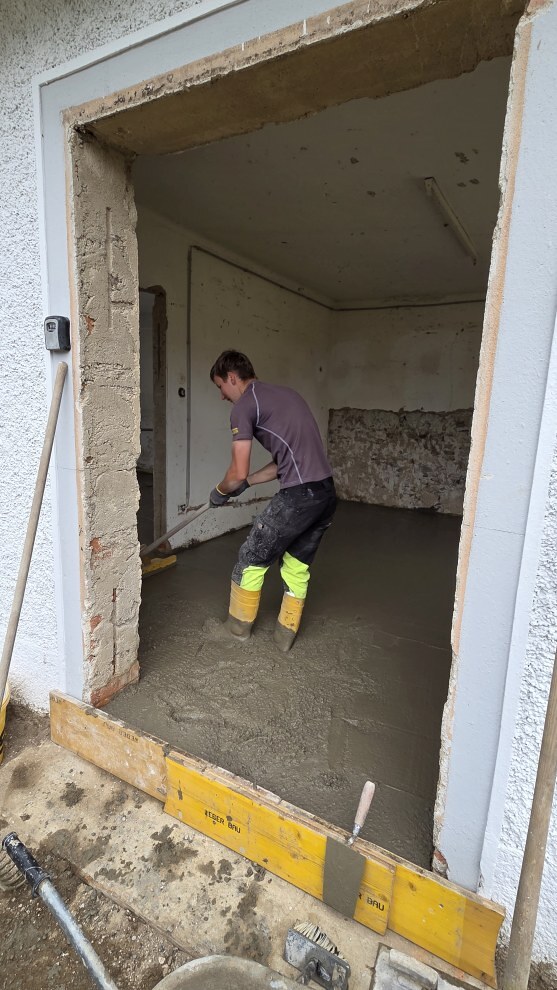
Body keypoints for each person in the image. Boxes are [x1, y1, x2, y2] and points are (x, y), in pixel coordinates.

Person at [209, 350, 337, 651]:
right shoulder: (288, 395)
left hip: (298, 496)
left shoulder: (245, 405)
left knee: (251, 558)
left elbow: (236, 472)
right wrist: (248, 483)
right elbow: (285, 461)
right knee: (296, 564)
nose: (222, 396)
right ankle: (285, 635)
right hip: (325, 494)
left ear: (232, 378)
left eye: (220, 387)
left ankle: (236, 630)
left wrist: (221, 491)